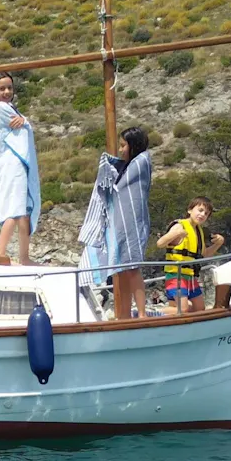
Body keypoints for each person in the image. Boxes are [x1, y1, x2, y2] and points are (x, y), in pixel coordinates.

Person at [77, 126, 154, 319]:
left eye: (123, 146)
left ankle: (142, 314)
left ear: (133, 145)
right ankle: (124, 315)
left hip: (133, 224)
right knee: (119, 270)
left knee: (132, 267)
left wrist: (108, 164)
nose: (120, 150)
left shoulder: (142, 161)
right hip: (118, 223)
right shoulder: (129, 164)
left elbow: (121, 184)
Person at [0, 72, 42, 265]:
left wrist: (24, 121)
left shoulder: (9, 107)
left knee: (23, 209)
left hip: (18, 163)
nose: (7, 91)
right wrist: (25, 122)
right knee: (15, 207)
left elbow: (24, 124)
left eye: (9, 87)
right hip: (12, 164)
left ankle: (24, 256)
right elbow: (22, 126)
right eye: (2, 88)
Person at [157, 197, 225, 314]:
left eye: (206, 213)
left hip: (190, 277)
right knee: (183, 309)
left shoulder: (199, 231)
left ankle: (172, 318)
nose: (202, 214)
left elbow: (205, 254)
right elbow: (160, 243)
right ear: (190, 210)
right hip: (176, 277)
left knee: (199, 308)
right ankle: (153, 312)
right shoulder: (180, 226)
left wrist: (219, 244)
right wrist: (174, 234)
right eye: (200, 210)